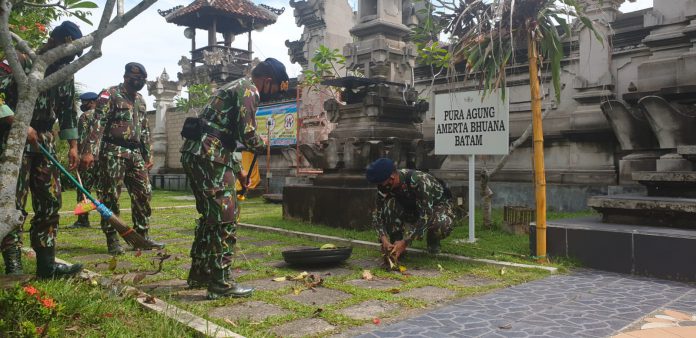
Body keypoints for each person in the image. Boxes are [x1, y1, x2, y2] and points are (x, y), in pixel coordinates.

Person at [180, 58, 288, 299]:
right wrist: (265, 145)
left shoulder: (234, 86)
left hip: (199, 153)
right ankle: (221, 282)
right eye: (274, 89)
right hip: (210, 155)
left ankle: (201, 273)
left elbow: (223, 133)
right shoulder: (249, 90)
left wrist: (238, 168)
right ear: (268, 81)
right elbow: (247, 133)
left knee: (210, 217)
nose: (271, 95)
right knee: (225, 219)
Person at [0, 21, 85, 278]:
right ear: (60, 39)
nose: (72, 58)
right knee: (13, 203)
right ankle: (12, 265)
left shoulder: (64, 74)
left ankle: (47, 264)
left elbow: (69, 112)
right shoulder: (20, 61)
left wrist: (73, 146)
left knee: (49, 202)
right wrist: (19, 123)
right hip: (14, 141)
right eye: (71, 50)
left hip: (44, 141)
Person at [80, 62, 163, 255]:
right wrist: (89, 151)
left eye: (142, 79)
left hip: (135, 155)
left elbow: (144, 129)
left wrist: (147, 153)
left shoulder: (141, 100)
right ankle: (112, 239)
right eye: (135, 78)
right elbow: (98, 123)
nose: (139, 82)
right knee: (110, 197)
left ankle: (142, 237)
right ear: (126, 77)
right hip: (113, 152)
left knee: (144, 193)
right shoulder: (110, 94)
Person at [366, 158, 455, 260]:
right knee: (390, 205)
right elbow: (377, 214)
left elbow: (426, 215)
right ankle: (395, 244)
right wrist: (384, 239)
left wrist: (406, 242)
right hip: (412, 208)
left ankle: (433, 240)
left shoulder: (420, 181)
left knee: (441, 224)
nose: (381, 187)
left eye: (382, 183)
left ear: (392, 177)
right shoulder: (384, 187)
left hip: (436, 208)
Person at [70, 91, 99, 228]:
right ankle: (108, 219)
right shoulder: (106, 116)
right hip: (105, 159)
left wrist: (78, 155)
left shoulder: (85, 117)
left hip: (88, 158)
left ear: (92, 102)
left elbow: (81, 138)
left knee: (83, 189)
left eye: (84, 102)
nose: (82, 105)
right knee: (104, 190)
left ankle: (83, 220)